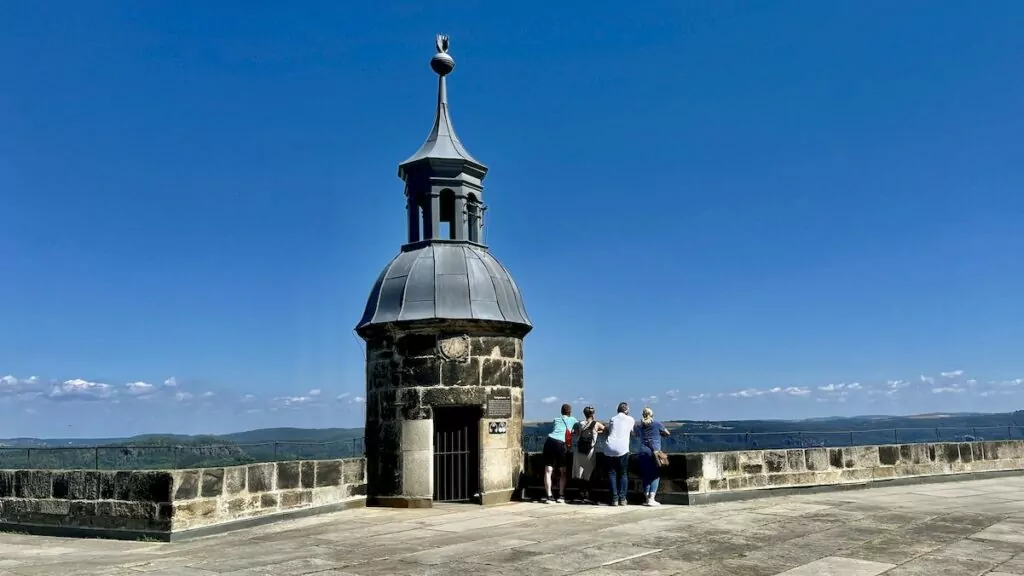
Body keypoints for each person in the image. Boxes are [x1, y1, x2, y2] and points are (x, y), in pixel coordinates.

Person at [542, 403, 577, 503]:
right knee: (563, 471)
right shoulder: (573, 420)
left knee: (548, 470)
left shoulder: (556, 419)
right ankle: (561, 496)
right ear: (570, 412)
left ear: (561, 411)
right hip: (561, 445)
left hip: (549, 442)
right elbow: (577, 430)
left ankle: (549, 496)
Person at [635, 406, 671, 506]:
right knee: (655, 475)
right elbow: (667, 433)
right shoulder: (657, 424)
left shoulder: (640, 426)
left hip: (642, 451)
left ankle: (646, 498)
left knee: (646, 475)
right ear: (652, 415)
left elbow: (636, 434)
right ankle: (652, 498)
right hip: (654, 452)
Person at [571, 406, 605, 503]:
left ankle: (581, 494)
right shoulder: (596, 424)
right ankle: (588, 494)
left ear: (584, 414)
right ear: (593, 414)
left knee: (580, 472)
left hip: (579, 449)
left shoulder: (580, 423)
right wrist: (597, 432)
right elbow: (605, 430)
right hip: (590, 450)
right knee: (588, 472)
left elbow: (576, 433)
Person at [602, 402, 634, 506]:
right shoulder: (630, 419)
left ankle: (614, 499)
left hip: (609, 447)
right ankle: (622, 498)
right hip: (622, 448)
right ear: (627, 410)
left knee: (612, 473)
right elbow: (632, 432)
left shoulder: (612, 419)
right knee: (623, 473)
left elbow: (609, 430)